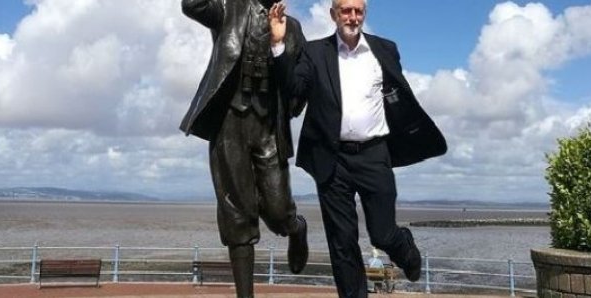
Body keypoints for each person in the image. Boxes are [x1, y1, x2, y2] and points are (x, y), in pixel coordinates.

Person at [269, 0, 447, 296]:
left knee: (383, 233)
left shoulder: (385, 49)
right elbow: (294, 90)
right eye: (345, 10)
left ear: (364, 13)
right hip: (331, 158)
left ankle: (405, 249)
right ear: (333, 15)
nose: (352, 17)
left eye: (358, 11)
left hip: (374, 154)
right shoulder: (314, 52)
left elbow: (399, 97)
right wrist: (278, 46)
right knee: (342, 243)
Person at [178, 0, 308, 297]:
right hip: (229, 122)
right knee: (236, 214)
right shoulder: (227, 9)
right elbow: (192, 5)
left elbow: (299, 84)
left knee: (278, 209)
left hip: (268, 127)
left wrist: (291, 105)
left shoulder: (294, 29)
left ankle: (295, 227)